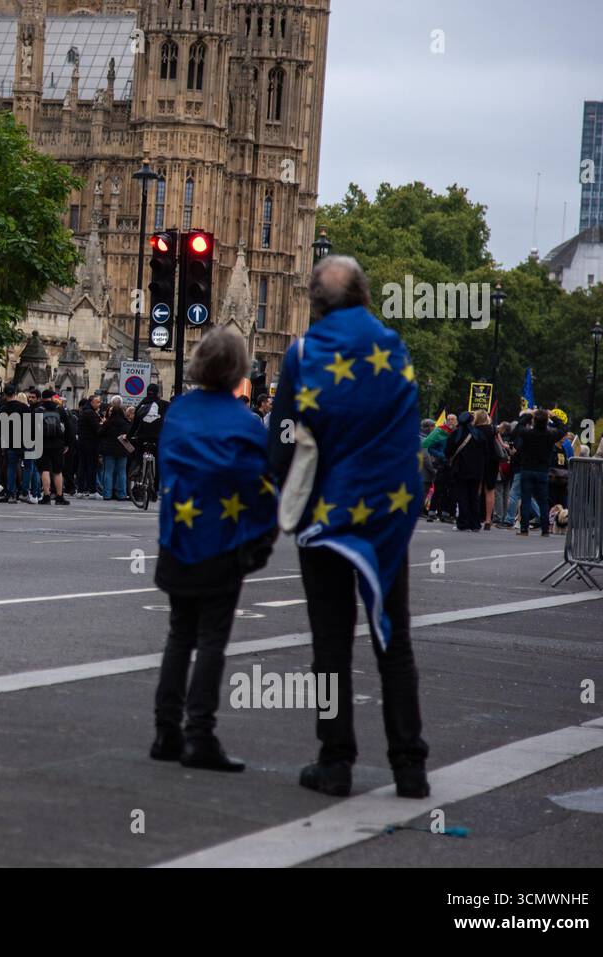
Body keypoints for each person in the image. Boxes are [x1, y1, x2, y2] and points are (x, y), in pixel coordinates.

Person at [269, 255, 428, 799]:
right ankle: (410, 766)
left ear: (315, 301)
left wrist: (284, 500)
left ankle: (336, 761)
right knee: (395, 639)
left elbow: (284, 439)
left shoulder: (304, 352)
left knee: (331, 646)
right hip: (386, 511)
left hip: (326, 516)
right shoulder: (394, 347)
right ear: (364, 295)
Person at [152, 327, 277, 771]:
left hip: (177, 540)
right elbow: (260, 489)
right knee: (210, 641)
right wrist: (262, 540)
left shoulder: (180, 411)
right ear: (239, 370)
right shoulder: (245, 422)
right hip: (221, 545)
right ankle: (199, 735)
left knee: (178, 634)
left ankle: (166, 731)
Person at [511, 408, 563, 537]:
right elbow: (563, 429)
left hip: (527, 468)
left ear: (534, 421)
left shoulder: (527, 433)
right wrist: (554, 417)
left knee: (526, 498)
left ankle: (524, 528)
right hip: (543, 470)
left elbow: (518, 427)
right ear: (546, 422)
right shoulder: (550, 435)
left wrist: (529, 414)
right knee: (543, 500)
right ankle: (545, 529)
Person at [444, 410, 488, 531]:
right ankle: (475, 523)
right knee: (474, 496)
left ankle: (463, 523)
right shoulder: (478, 434)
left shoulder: (456, 434)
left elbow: (447, 451)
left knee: (462, 496)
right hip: (477, 470)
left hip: (460, 469)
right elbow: (486, 451)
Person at [129, 383, 169, 502]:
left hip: (143, 437)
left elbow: (135, 425)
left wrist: (128, 436)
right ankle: (155, 490)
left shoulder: (141, 405)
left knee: (138, 454)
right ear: (157, 393)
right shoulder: (164, 405)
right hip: (158, 438)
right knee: (157, 463)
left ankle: (138, 467)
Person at [35, 389, 72, 505]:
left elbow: (31, 428)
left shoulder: (38, 410)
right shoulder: (59, 409)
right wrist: (67, 443)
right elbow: (69, 427)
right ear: (52, 398)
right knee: (58, 471)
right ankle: (59, 496)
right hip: (58, 444)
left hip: (42, 444)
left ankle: (46, 496)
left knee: (44, 470)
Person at [98, 395, 130, 501]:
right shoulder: (126, 423)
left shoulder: (108, 422)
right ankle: (122, 494)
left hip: (109, 450)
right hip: (122, 450)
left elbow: (100, 433)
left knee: (108, 472)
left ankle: (107, 494)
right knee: (122, 472)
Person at [76, 394, 101, 498]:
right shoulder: (90, 413)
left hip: (83, 442)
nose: (99, 404)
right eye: (97, 402)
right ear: (91, 402)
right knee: (91, 467)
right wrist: (103, 425)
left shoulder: (84, 412)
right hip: (90, 443)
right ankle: (92, 491)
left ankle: (81, 490)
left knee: (82, 466)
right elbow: (97, 429)